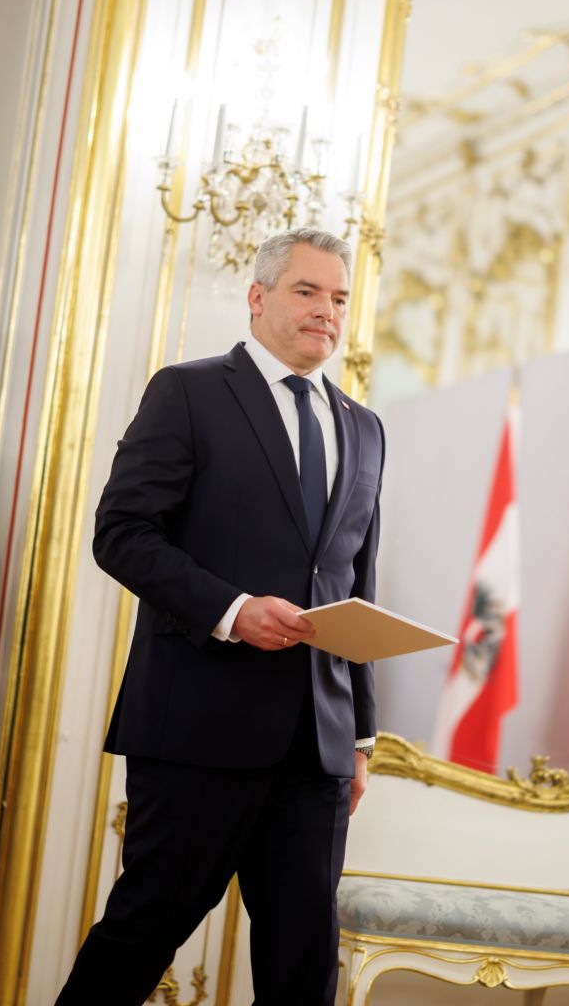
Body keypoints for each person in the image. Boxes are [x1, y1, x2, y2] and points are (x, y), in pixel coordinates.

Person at [58, 228, 385, 1005]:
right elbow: (121, 535)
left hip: (319, 750)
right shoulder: (189, 392)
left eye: (339, 298)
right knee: (140, 935)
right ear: (259, 297)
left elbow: (354, 582)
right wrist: (233, 612)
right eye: (307, 292)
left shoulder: (365, 428)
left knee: (303, 968)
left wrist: (361, 736)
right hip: (198, 731)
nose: (326, 312)